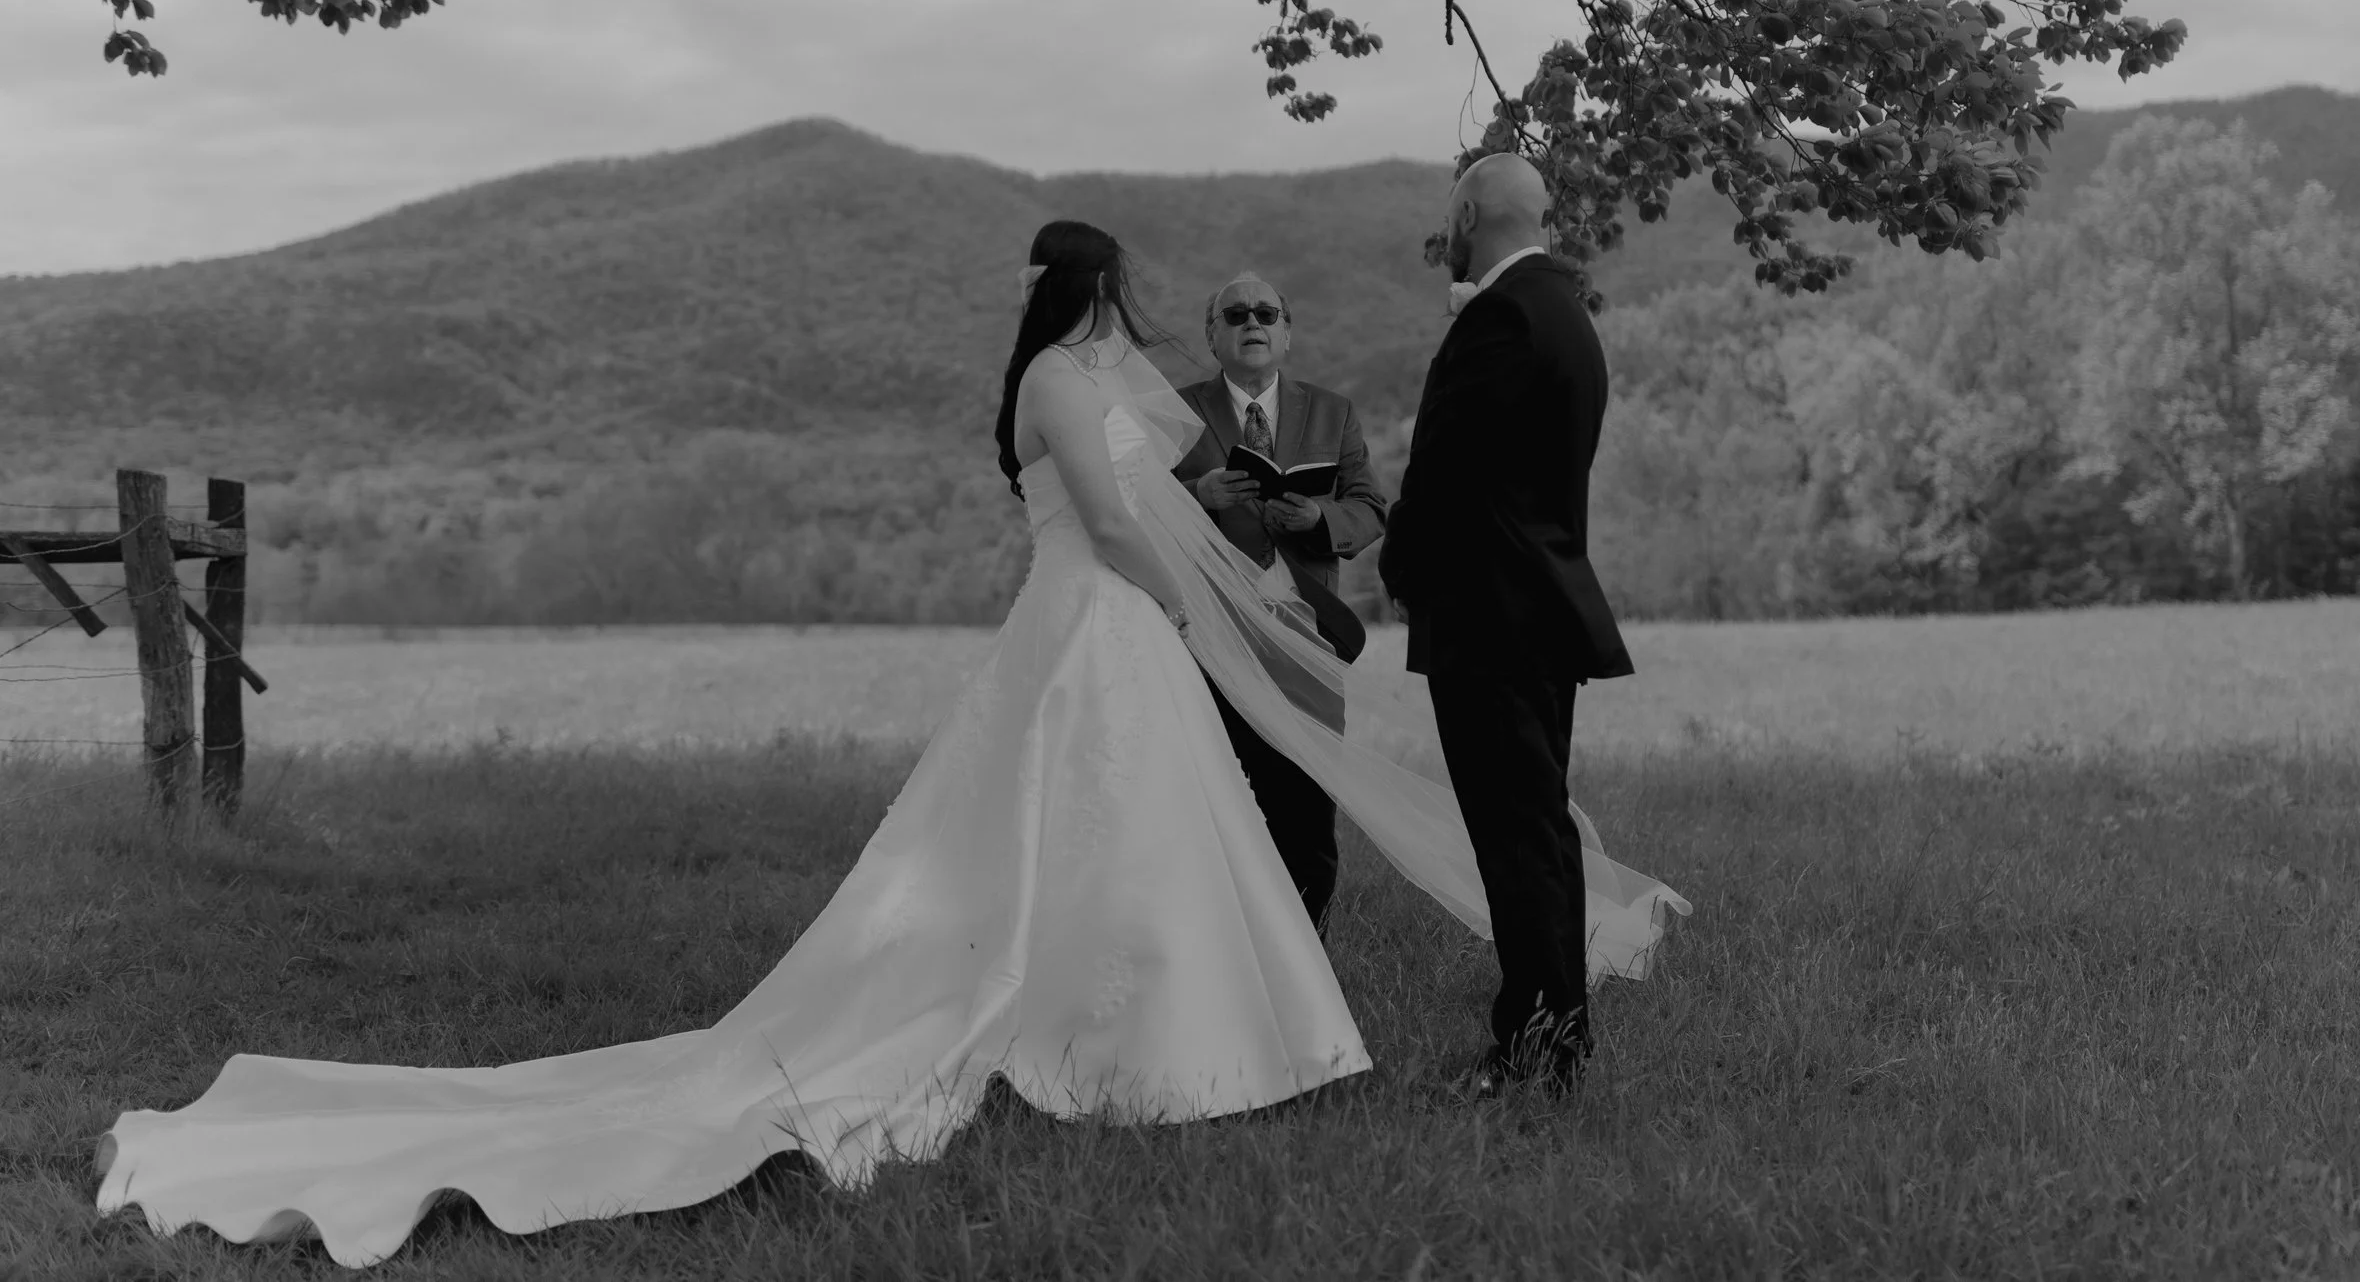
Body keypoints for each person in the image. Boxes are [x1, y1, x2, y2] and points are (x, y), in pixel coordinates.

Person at [97, 219, 1678, 1269]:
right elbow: (1126, 527)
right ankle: (1109, 1038)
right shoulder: (1056, 383)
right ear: (1088, 292)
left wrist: (1259, 547)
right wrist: (1222, 616)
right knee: (1080, 829)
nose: (1133, 313)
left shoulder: (1105, 374)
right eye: (1119, 289)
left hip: (1130, 625)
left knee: (1167, 839)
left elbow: (1201, 477)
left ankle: (1204, 1040)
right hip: (1091, 628)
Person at [1380, 152, 1632, 1100]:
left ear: (1472, 212)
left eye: (1450, 218)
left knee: (1515, 836)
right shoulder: (1566, 313)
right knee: (1537, 829)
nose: (1446, 233)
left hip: (1491, 613)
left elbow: (1444, 467)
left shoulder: (1504, 316)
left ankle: (1535, 1046)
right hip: (1540, 606)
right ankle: (1556, 1031)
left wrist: (1401, 566)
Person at [1171, 271, 1386, 934]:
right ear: (1213, 335)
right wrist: (1196, 496)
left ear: (1288, 332)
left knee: (1305, 812)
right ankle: (1223, 949)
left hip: (1307, 641)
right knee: (1216, 806)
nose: (1252, 321)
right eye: (1234, 313)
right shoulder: (1175, 412)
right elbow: (1131, 503)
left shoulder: (1334, 411)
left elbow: (1369, 508)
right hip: (1210, 641)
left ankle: (1307, 958)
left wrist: (1316, 518)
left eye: (1267, 311)